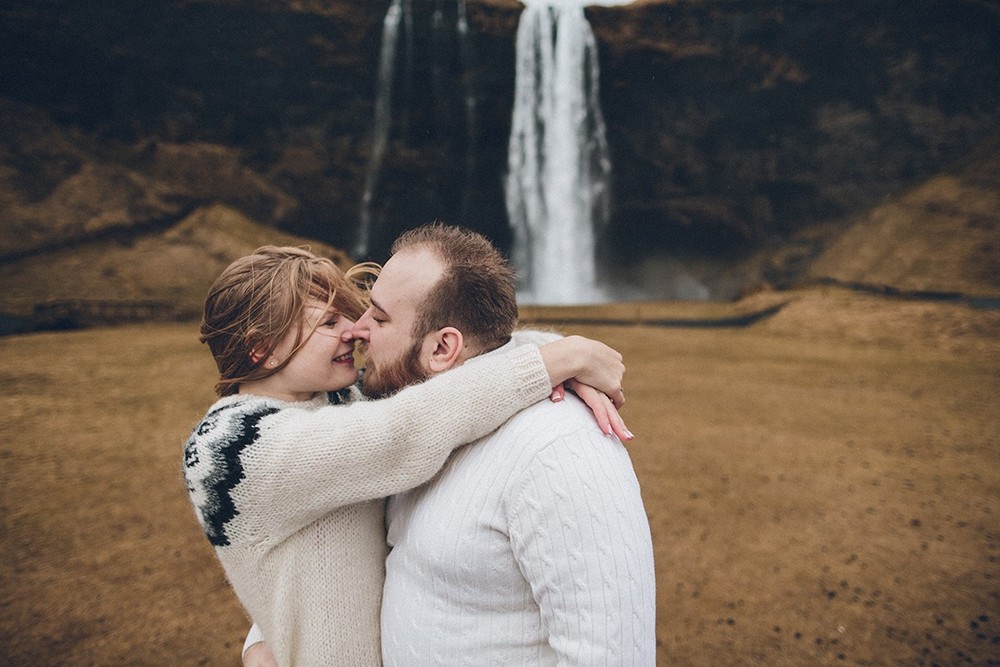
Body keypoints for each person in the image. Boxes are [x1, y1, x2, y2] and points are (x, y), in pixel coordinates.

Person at [183, 245, 629, 666]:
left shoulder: (337, 401)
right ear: (260, 347)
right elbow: (402, 431)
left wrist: (563, 353)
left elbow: (462, 356)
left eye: (355, 316)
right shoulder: (231, 449)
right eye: (329, 323)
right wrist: (556, 360)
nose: (355, 332)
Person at [353, 224, 657, 665]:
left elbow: (611, 656)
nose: (358, 330)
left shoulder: (561, 452)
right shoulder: (401, 421)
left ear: (443, 348)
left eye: (379, 319)